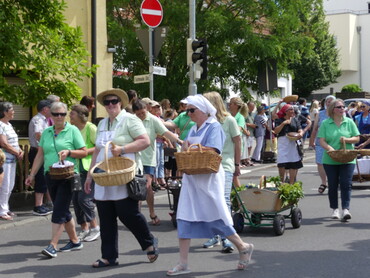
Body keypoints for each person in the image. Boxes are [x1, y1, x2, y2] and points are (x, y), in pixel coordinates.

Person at [167, 94, 254, 276]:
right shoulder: (193, 129)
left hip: (209, 179)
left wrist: (189, 149)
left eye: (192, 110)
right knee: (184, 216)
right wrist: (185, 148)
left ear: (204, 111)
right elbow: (188, 148)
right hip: (192, 179)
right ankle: (183, 263)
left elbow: (214, 150)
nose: (188, 114)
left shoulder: (214, 127)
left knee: (216, 215)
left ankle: (242, 246)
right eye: (187, 110)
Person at [84, 88, 159, 268]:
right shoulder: (102, 124)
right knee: (106, 216)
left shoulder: (130, 119)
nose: (110, 105)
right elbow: (97, 150)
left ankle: (149, 241)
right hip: (104, 175)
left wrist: (123, 149)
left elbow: (145, 141)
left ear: (121, 103)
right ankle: (108, 256)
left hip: (124, 173)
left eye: (114, 101)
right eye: (107, 102)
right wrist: (89, 176)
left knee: (128, 213)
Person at [25, 102, 87, 258]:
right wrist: (32, 175)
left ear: (66, 115)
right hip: (50, 175)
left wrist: (69, 151)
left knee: (58, 209)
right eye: (56, 114)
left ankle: (52, 245)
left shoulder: (72, 130)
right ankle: (74, 240)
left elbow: (84, 152)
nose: (59, 117)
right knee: (63, 209)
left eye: (62, 114)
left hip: (69, 176)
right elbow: (40, 155)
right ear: (50, 116)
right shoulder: (46, 132)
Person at [202, 91, 242, 253]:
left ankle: (228, 237)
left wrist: (237, 164)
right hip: (209, 167)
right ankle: (217, 235)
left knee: (224, 200)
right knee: (212, 202)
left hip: (225, 165)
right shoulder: (207, 122)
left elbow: (238, 142)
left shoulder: (230, 120)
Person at [132, 99, 182, 226]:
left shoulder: (153, 120)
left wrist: (180, 143)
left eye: (143, 113)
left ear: (147, 110)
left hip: (148, 159)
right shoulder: (131, 119)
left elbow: (166, 133)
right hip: (133, 158)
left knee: (147, 187)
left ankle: (152, 212)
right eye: (138, 114)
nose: (141, 116)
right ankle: (136, 216)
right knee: (136, 188)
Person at [318, 99, 360, 221]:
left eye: (343, 107)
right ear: (333, 110)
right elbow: (322, 140)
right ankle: (335, 209)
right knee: (333, 185)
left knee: (346, 184)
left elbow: (357, 138)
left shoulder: (349, 122)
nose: (342, 109)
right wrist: (329, 148)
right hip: (330, 158)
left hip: (348, 157)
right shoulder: (326, 123)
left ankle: (346, 209)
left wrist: (347, 140)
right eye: (339, 107)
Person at [69, 104, 100, 242]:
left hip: (89, 167)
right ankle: (84, 228)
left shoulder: (91, 128)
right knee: (76, 201)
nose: (70, 116)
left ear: (81, 116)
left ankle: (95, 227)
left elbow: (100, 146)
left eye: (72, 114)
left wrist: (86, 151)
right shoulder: (72, 129)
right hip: (75, 168)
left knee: (84, 199)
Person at [27, 100, 53, 216]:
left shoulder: (44, 120)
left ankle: (41, 204)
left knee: (43, 178)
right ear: (45, 109)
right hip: (37, 152)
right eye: (50, 108)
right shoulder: (38, 119)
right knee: (40, 178)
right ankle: (38, 206)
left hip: (41, 152)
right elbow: (38, 134)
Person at [0, 102, 24, 220]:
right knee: (4, 185)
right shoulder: (0, 125)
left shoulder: (8, 124)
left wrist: (19, 150)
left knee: (10, 185)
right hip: (4, 160)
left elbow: (13, 141)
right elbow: (4, 143)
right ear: (5, 112)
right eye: (12, 109)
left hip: (12, 159)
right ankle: (2, 210)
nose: (14, 111)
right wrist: (16, 152)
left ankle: (6, 208)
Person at [309, 95, 336, 194]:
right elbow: (315, 128)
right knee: (320, 162)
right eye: (328, 101)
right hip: (320, 141)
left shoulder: (338, 113)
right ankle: (324, 182)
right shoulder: (320, 114)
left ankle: (333, 181)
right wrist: (312, 140)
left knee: (333, 163)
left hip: (334, 142)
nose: (329, 103)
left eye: (331, 101)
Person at [274, 104, 303, 184]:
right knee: (282, 162)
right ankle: (282, 182)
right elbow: (276, 131)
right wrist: (283, 123)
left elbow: (300, 129)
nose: (292, 111)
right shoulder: (279, 120)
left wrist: (300, 133)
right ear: (285, 112)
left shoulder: (295, 120)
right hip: (283, 142)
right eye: (290, 109)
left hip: (292, 142)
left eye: (292, 109)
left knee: (293, 162)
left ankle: (291, 183)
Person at [242, 101, 256, 166]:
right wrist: (251, 125)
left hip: (251, 132)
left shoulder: (251, 114)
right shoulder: (246, 114)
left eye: (253, 107)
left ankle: (248, 158)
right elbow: (243, 123)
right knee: (247, 147)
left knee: (250, 146)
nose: (253, 108)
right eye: (251, 106)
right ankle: (245, 159)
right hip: (247, 132)